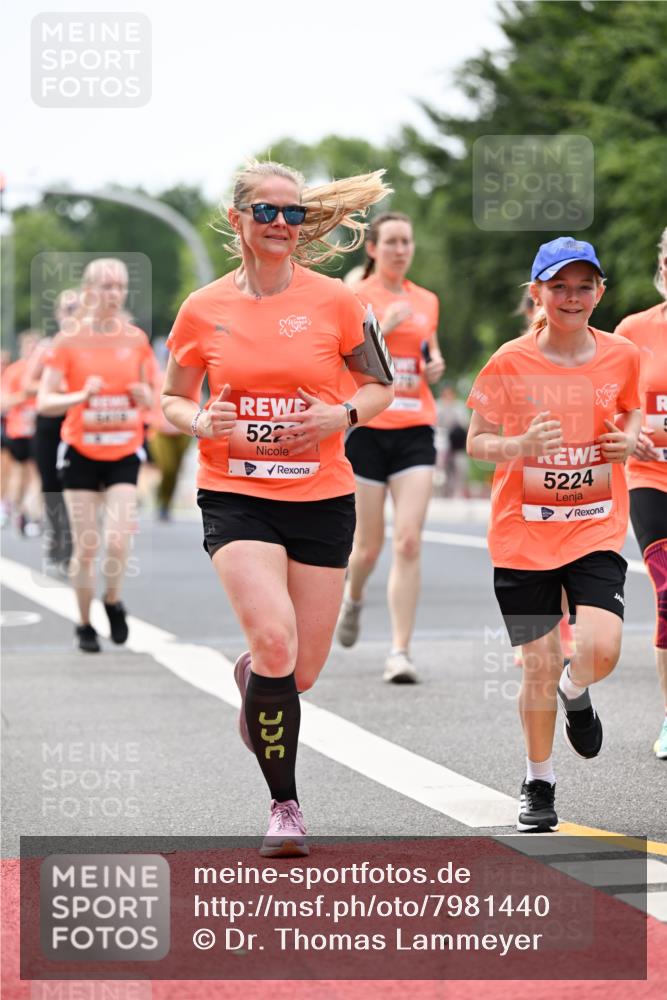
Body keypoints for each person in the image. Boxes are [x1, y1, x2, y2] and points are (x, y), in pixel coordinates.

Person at [162, 159, 394, 857]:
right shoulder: (203, 309)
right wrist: (199, 421)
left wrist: (340, 416)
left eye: (293, 214)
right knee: (274, 641)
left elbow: (381, 387)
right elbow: (171, 397)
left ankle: (258, 682)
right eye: (267, 212)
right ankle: (284, 806)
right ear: (238, 219)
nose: (282, 225)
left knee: (299, 673)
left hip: (320, 498)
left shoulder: (336, 303)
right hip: (236, 495)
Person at [467, 237, 642, 832]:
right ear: (537, 292)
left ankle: (577, 690)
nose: (573, 297)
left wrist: (626, 437)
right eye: (559, 286)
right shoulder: (509, 362)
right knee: (536, 667)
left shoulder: (620, 354)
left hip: (594, 525)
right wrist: (516, 447)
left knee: (603, 647)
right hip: (522, 537)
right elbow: (476, 440)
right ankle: (538, 781)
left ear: (600, 291)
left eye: (584, 285)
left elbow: (631, 409)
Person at [335, 212, 445, 683]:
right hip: (369, 428)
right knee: (367, 547)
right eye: (392, 242)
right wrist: (381, 324)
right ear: (374, 249)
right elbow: (340, 361)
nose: (402, 249)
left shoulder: (427, 300)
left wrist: (436, 363)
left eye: (407, 241)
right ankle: (353, 597)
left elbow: (427, 350)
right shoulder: (355, 297)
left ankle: (400, 651)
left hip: (415, 428)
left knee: (409, 540)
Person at [37, 258, 157, 653]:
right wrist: (80, 396)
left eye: (119, 287)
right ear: (89, 291)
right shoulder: (68, 341)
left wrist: (144, 397)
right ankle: (84, 624)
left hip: (124, 448)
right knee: (87, 546)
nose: (113, 294)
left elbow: (156, 395)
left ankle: (112, 600)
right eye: (105, 286)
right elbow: (46, 401)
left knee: (119, 541)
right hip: (81, 452)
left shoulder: (136, 339)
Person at [614, 226, 667, 760]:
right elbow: (611, 400)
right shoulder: (634, 330)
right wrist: (631, 436)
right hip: (649, 476)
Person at [25, 289, 79, 572]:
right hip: (49, 424)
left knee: (75, 482)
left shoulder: (89, 346)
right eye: (67, 308)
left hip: (79, 423)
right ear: (59, 314)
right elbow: (27, 385)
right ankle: (57, 535)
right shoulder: (47, 346)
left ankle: (73, 540)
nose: (72, 313)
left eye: (77, 308)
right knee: (51, 484)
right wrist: (58, 388)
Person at [1, 330, 43, 535]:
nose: (33, 351)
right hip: (18, 429)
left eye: (36, 347)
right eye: (29, 347)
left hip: (40, 429)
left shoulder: (45, 370)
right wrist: (25, 395)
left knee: (38, 474)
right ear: (22, 348)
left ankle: (31, 514)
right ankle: (14, 507)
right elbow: (5, 402)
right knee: (18, 472)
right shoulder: (14, 371)